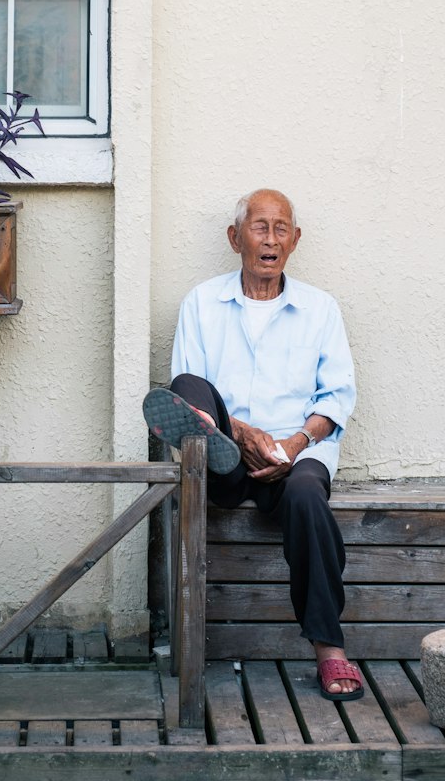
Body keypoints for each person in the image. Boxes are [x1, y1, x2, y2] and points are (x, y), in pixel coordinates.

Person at [143, 188, 362, 701]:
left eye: (280, 228)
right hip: (222, 458)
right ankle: (215, 438)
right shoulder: (202, 302)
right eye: (259, 227)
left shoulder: (320, 309)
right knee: (186, 389)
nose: (270, 238)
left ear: (295, 240)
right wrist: (240, 434)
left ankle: (330, 650)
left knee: (309, 496)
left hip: (295, 454)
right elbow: (188, 376)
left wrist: (292, 442)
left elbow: (336, 398)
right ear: (235, 237)